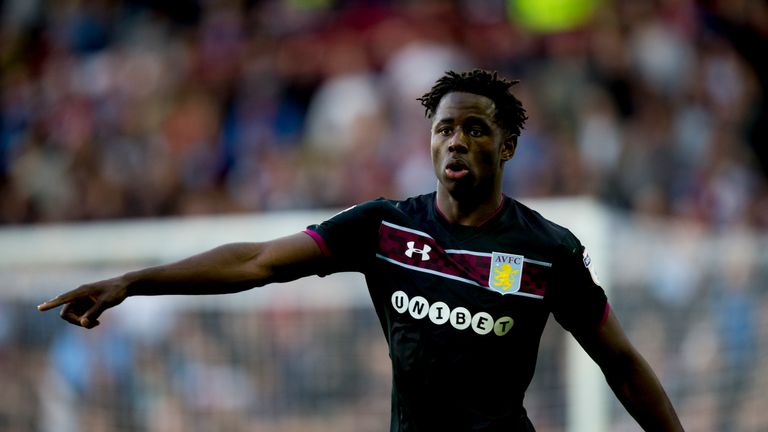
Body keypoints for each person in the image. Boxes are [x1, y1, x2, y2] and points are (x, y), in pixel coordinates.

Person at [38, 69, 683, 431]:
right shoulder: (384, 228)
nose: (456, 141)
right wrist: (132, 281)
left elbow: (620, 361)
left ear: (507, 147)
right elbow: (256, 261)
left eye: (475, 129)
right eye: (444, 128)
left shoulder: (548, 251)